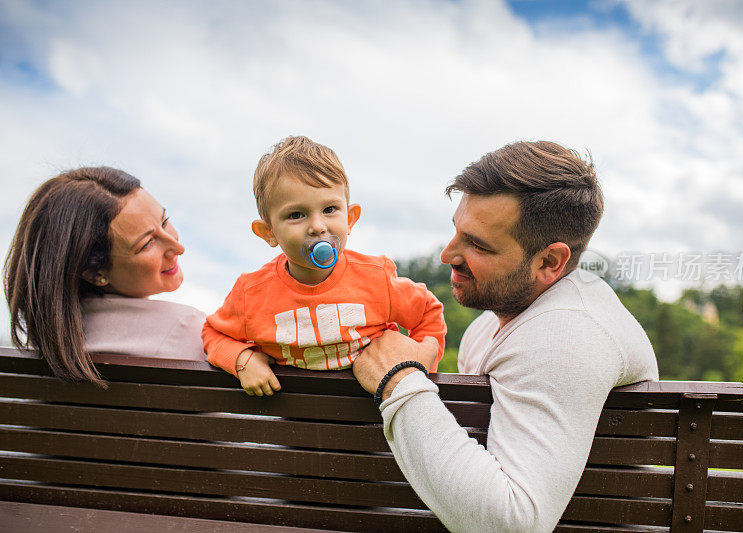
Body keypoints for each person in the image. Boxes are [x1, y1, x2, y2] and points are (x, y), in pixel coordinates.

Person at [353, 141, 659, 532]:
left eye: (478, 244)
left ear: (549, 262)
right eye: (457, 232)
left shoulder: (566, 336)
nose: (447, 255)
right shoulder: (488, 329)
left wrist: (399, 380)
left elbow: (512, 526)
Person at [202, 136, 446, 396]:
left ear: (350, 218)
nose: (318, 226)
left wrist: (420, 360)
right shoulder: (251, 293)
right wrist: (242, 361)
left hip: (373, 420)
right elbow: (213, 334)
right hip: (299, 425)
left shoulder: (376, 278)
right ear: (268, 232)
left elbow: (428, 314)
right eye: (296, 214)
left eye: (330, 209)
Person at [4, 167, 206, 386]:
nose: (178, 247)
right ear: (95, 274)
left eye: (165, 221)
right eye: (147, 243)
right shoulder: (186, 330)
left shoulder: (47, 350)